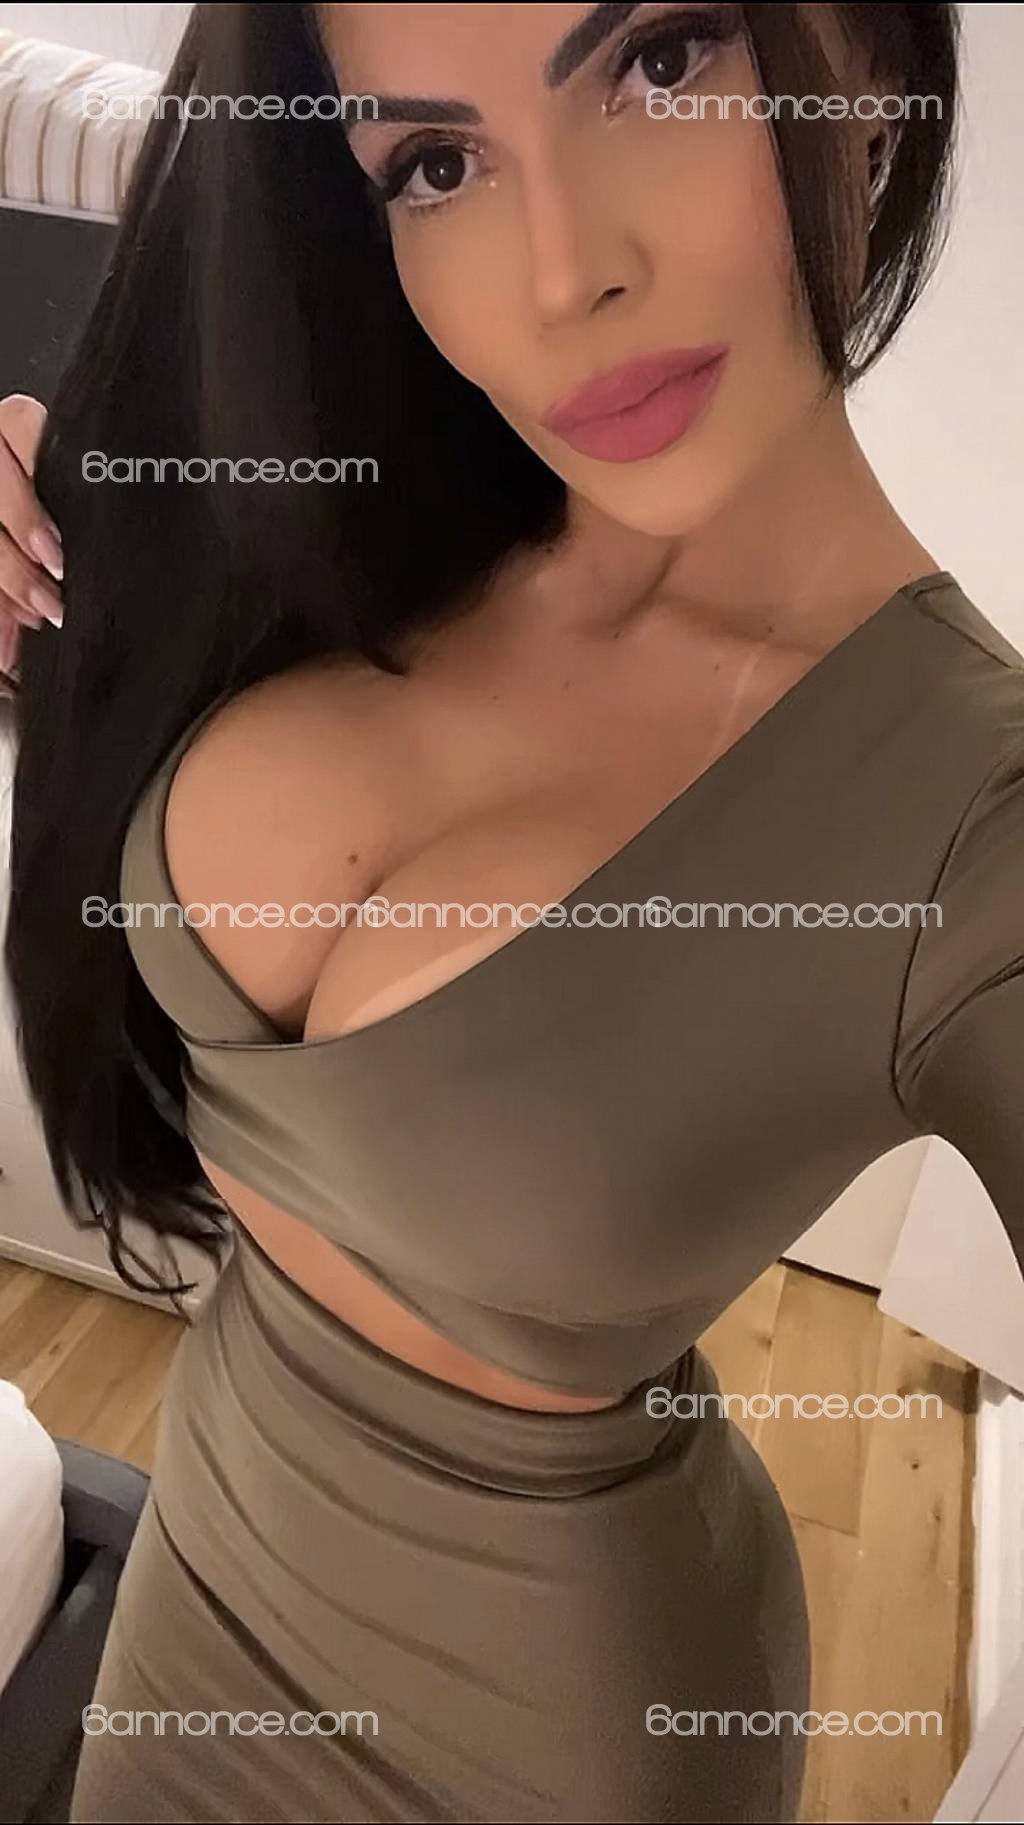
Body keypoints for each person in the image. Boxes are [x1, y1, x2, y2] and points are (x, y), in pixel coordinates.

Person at [2, 4, 1018, 1821]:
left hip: (550, 1736)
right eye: (435, 163)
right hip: (210, 1544)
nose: (561, 278)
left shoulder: (979, 821)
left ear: (870, 64)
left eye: (662, 60)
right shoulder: (348, 508)